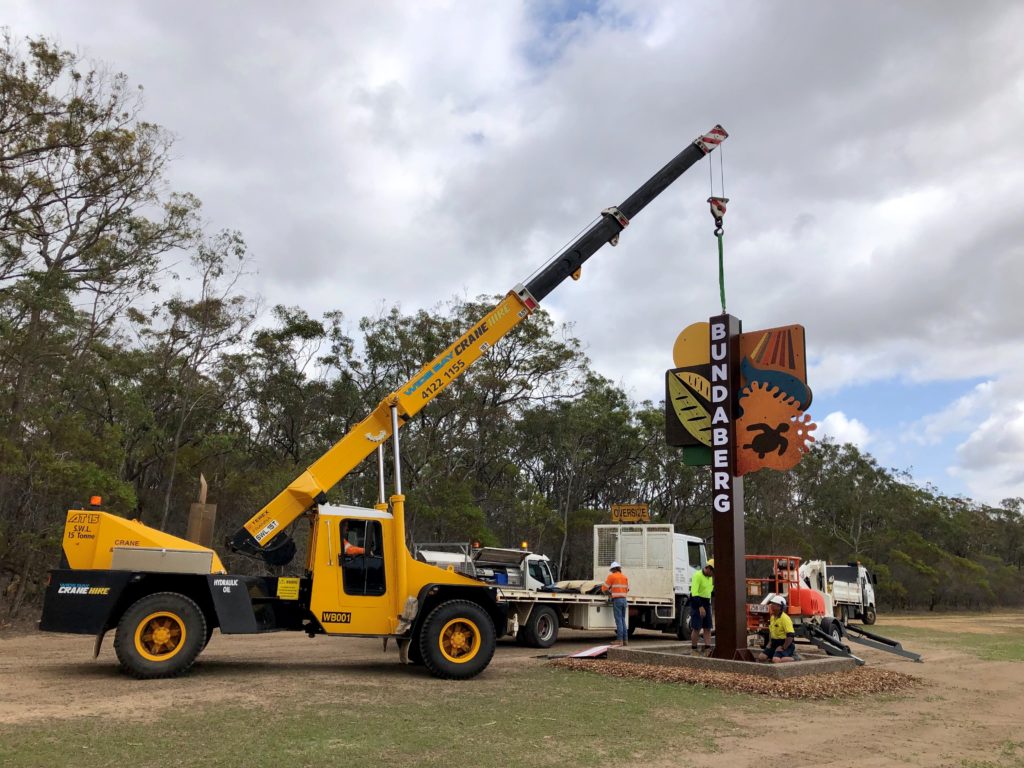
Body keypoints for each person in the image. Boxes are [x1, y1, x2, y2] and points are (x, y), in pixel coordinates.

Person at [756, 594, 797, 663]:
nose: (771, 606)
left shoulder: (785, 618)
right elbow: (771, 632)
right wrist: (769, 643)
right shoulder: (772, 617)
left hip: (785, 643)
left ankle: (795, 659)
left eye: (773, 604)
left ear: (779, 606)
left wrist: (783, 647)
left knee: (776, 660)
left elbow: (790, 635)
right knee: (761, 657)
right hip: (774, 643)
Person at [601, 561, 630, 645]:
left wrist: (610, 594)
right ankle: (625, 640)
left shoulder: (612, 577)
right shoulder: (624, 577)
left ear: (613, 569)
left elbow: (603, 588)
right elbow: (627, 589)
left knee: (618, 620)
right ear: (619, 568)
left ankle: (619, 640)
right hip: (624, 600)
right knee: (623, 620)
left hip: (617, 600)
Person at [689, 558, 714, 653]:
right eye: (712, 572)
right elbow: (694, 593)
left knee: (707, 627)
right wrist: (700, 606)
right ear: (708, 568)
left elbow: (709, 591)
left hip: (707, 603)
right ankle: (694, 649)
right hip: (697, 602)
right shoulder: (697, 576)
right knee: (697, 627)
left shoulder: (710, 577)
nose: (712, 574)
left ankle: (708, 648)